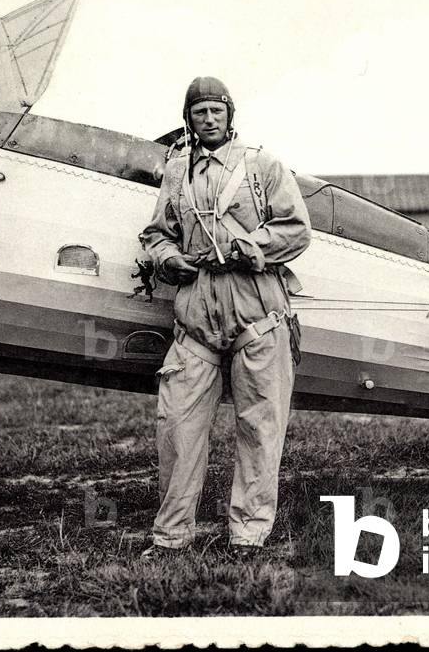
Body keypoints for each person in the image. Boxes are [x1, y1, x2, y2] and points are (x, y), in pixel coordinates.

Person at [138, 76, 311, 559]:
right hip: (195, 318)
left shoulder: (262, 166)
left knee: (259, 429)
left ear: (230, 115)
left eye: (216, 111)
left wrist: (244, 248)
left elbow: (296, 231)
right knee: (176, 428)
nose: (208, 120)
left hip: (259, 316)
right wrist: (168, 258)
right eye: (199, 113)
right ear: (188, 120)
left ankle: (249, 536)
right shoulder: (176, 174)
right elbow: (156, 234)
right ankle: (171, 538)